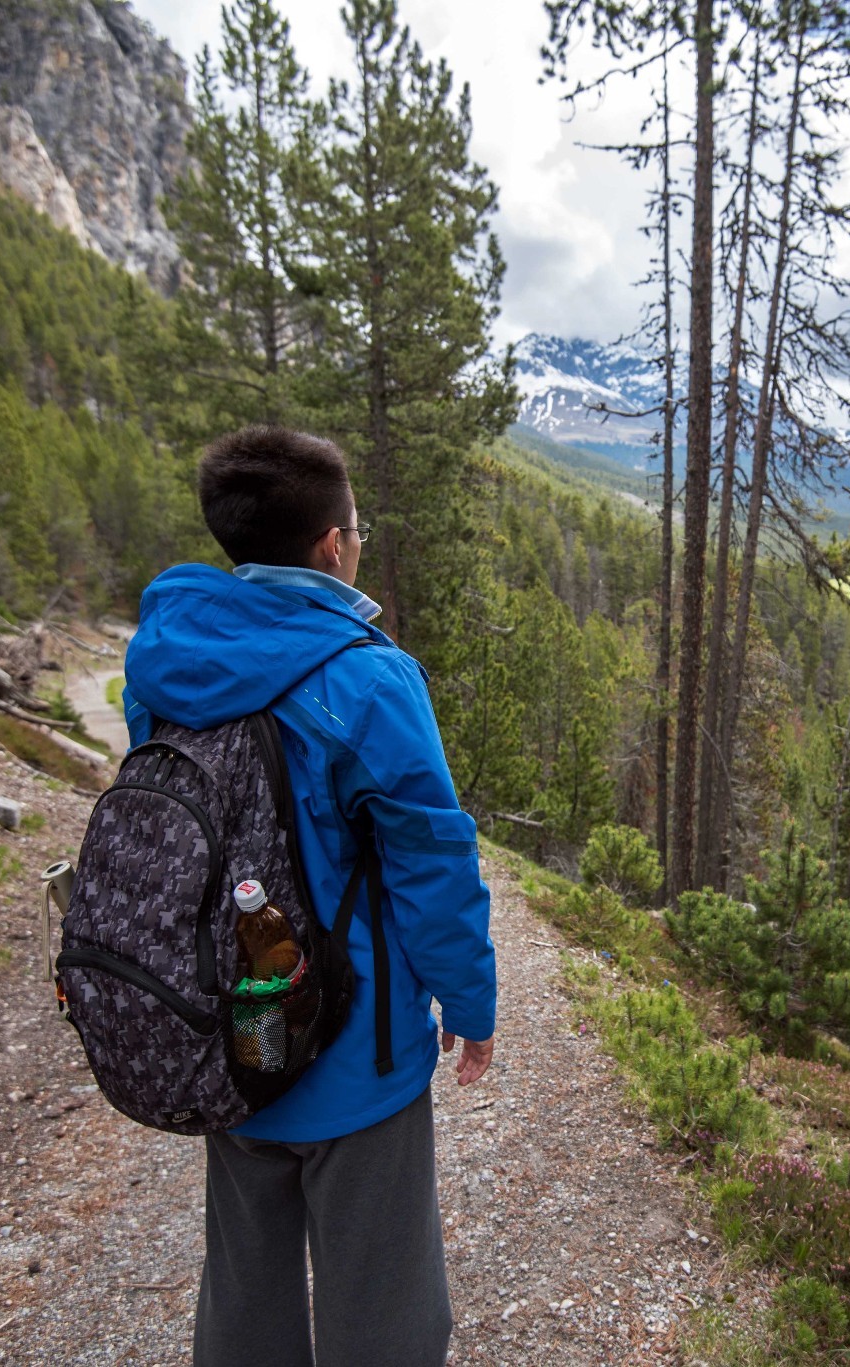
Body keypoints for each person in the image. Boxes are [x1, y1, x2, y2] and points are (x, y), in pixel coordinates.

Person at [120, 425, 497, 1367]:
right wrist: (473, 999)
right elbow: (431, 864)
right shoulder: (368, 679)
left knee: (245, 1294)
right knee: (385, 1309)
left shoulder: (166, 657)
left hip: (228, 1031)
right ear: (333, 545)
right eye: (356, 528)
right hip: (353, 1053)